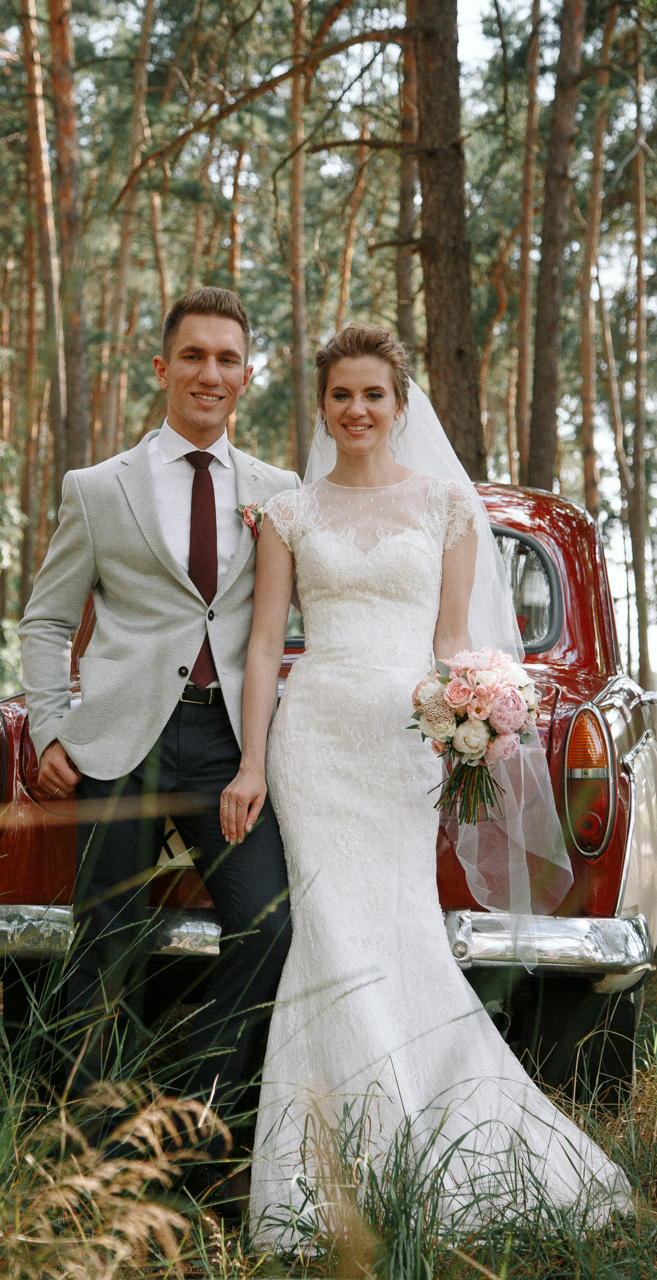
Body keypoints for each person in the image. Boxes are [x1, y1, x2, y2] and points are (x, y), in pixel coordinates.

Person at [220, 323, 631, 1244]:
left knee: (399, 933)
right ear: (321, 406)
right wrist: (250, 762)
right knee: (328, 934)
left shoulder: (446, 504)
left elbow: (450, 639)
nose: (356, 409)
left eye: (372, 394)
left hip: (402, 747)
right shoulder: (289, 513)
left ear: (399, 405)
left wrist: (475, 706)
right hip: (313, 744)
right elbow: (264, 645)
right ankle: (323, 1184)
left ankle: (412, 1156)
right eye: (340, 395)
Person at [18, 287, 299, 1210]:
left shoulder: (280, 493)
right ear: (162, 367)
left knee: (268, 929)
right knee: (105, 949)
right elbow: (47, 618)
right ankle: (99, 1170)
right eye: (193, 356)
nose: (209, 373)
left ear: (247, 375)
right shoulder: (98, 489)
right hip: (120, 744)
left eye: (227, 359)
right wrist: (49, 723)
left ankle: (189, 1134)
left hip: (231, 747)